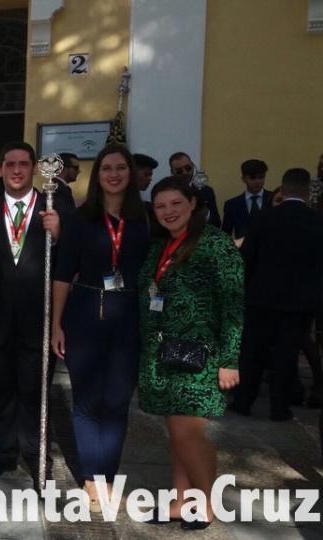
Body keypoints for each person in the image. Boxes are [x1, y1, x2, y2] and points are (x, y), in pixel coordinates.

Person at [137, 176, 243, 529]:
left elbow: (233, 306)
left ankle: (207, 504)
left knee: (188, 435)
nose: (168, 211)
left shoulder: (215, 244)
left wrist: (229, 360)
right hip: (164, 354)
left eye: (176, 204)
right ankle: (180, 501)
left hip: (201, 355)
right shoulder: (160, 245)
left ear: (193, 203)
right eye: (160, 206)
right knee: (177, 435)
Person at [50, 145, 149, 507]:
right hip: (86, 314)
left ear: (130, 173)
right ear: (98, 175)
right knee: (87, 401)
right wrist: (56, 324)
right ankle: (92, 478)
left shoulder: (145, 219)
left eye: (121, 167)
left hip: (130, 317)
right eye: (107, 168)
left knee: (117, 401)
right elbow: (63, 274)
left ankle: (108, 474)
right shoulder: (81, 219)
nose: (114, 174)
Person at [0, 141, 64, 487]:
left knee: (35, 393)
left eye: (24, 164)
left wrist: (58, 234)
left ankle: (37, 457)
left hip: (38, 321)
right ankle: (5, 453)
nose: (17, 170)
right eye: (10, 164)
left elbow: (68, 265)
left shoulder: (54, 208)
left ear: (35, 168)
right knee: (3, 392)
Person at [231, 168, 323, 421]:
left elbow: (246, 257)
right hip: (299, 302)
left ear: (283, 187)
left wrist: (247, 289)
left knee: (253, 352)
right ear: (307, 190)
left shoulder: (264, 218)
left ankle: (243, 401)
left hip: (261, 297)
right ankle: (280, 408)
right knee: (287, 354)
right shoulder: (316, 222)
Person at [221, 159, 272, 241]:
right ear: (243, 179)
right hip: (243, 248)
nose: (257, 181)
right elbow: (225, 235)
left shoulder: (274, 199)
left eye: (261, 177)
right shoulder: (232, 205)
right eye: (253, 178)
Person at [169, 152, 221, 227]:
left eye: (188, 168)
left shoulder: (206, 191)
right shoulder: (166, 193)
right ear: (172, 172)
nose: (185, 172)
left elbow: (217, 223)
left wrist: (206, 213)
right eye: (179, 171)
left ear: (193, 166)